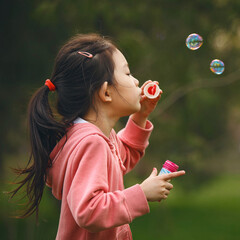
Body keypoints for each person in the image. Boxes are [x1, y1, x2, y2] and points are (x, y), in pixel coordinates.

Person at [10, 33, 185, 240]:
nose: (136, 80)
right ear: (106, 93)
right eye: (127, 73)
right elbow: (89, 211)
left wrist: (140, 116)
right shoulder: (91, 143)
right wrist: (142, 194)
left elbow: (123, 156)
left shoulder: (90, 136)